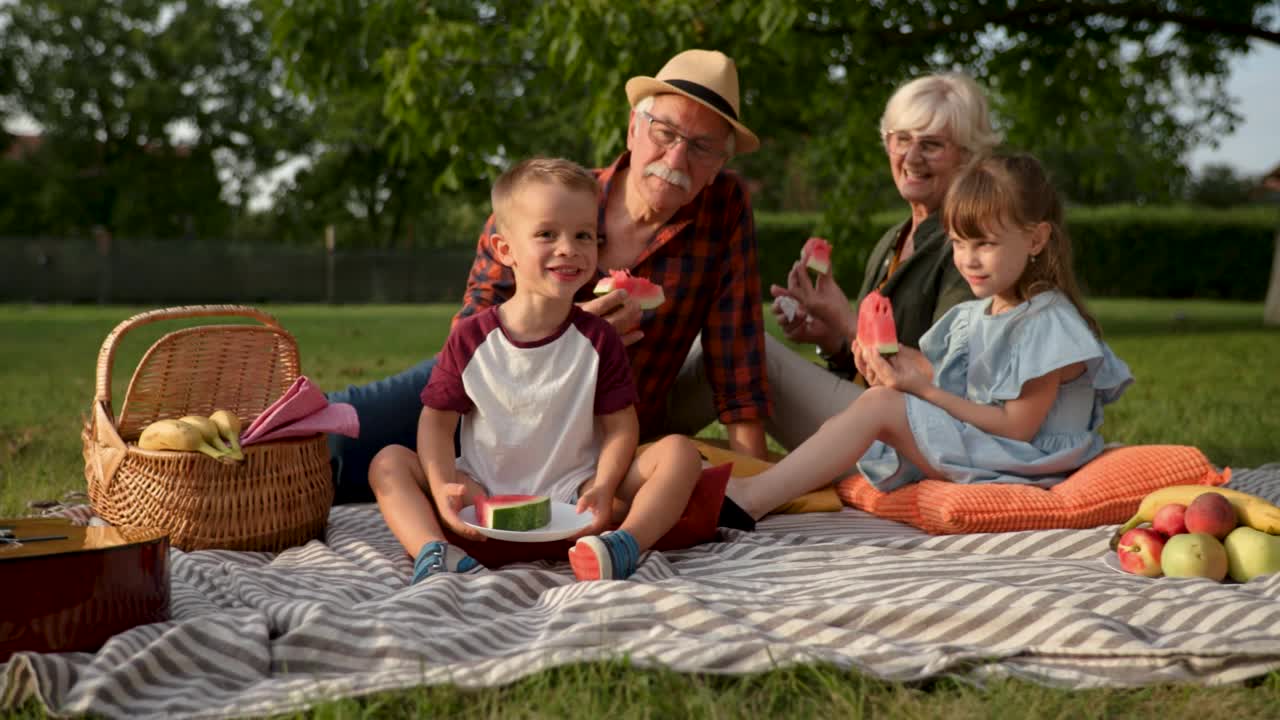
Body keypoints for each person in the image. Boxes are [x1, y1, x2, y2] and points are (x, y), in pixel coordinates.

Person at [328, 49, 770, 507]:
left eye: (701, 147)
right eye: (666, 132)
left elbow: (736, 347)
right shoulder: (546, 204)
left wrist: (750, 483)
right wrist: (565, 330)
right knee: (337, 444)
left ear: (719, 163)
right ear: (634, 127)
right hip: (486, 402)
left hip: (582, 437)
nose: (677, 157)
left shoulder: (723, 207)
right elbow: (468, 333)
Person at [723, 153, 1134, 520]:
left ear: (1036, 239)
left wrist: (921, 390)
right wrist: (892, 365)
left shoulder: (1050, 323)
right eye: (958, 243)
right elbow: (949, 375)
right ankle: (765, 489)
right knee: (876, 401)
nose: (968, 259)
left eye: (984, 243)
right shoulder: (978, 314)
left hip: (1030, 462)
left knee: (882, 406)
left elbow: (1016, 428)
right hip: (995, 447)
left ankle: (753, 497)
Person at [367, 157, 702, 583]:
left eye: (584, 235)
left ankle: (624, 546)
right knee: (388, 461)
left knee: (679, 452)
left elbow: (620, 428)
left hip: (575, 501)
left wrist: (603, 484)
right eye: (547, 234)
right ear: (506, 250)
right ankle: (435, 552)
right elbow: (435, 424)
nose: (569, 248)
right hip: (480, 498)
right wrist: (441, 485)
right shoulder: (470, 338)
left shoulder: (600, 339)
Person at [676, 73, 1000, 454]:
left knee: (748, 350)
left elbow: (950, 373)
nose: (911, 158)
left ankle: (626, 436)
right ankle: (629, 435)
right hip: (872, 413)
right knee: (712, 347)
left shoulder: (968, 247)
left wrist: (847, 321)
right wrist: (829, 337)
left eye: (931, 145)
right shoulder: (894, 240)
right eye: (901, 140)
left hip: (918, 433)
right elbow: (866, 364)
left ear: (969, 155)